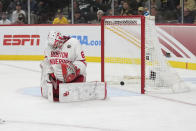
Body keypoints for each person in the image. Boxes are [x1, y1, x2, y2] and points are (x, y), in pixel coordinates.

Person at [40, 31, 87, 101]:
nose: (53, 47)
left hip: (74, 77)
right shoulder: (48, 48)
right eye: (52, 45)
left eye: (55, 45)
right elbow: (47, 64)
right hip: (58, 78)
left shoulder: (74, 43)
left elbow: (82, 62)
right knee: (54, 95)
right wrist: (50, 75)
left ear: (60, 40)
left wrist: (75, 69)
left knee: (70, 93)